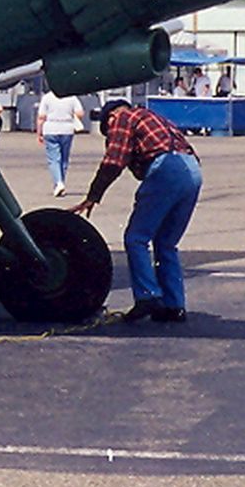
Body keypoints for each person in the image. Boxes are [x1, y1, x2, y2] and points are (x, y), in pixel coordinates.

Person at [72, 100, 202, 323]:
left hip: (166, 168)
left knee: (136, 238)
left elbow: (114, 160)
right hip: (192, 169)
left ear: (110, 117)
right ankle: (174, 305)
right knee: (167, 243)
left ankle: (147, 296)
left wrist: (94, 195)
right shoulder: (154, 118)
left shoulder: (123, 118)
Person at [37, 88, 86, 196]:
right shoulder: (71, 97)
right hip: (67, 128)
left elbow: (41, 117)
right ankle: (60, 184)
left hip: (50, 128)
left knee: (53, 159)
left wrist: (39, 133)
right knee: (64, 158)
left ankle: (58, 183)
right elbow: (80, 113)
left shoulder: (47, 97)